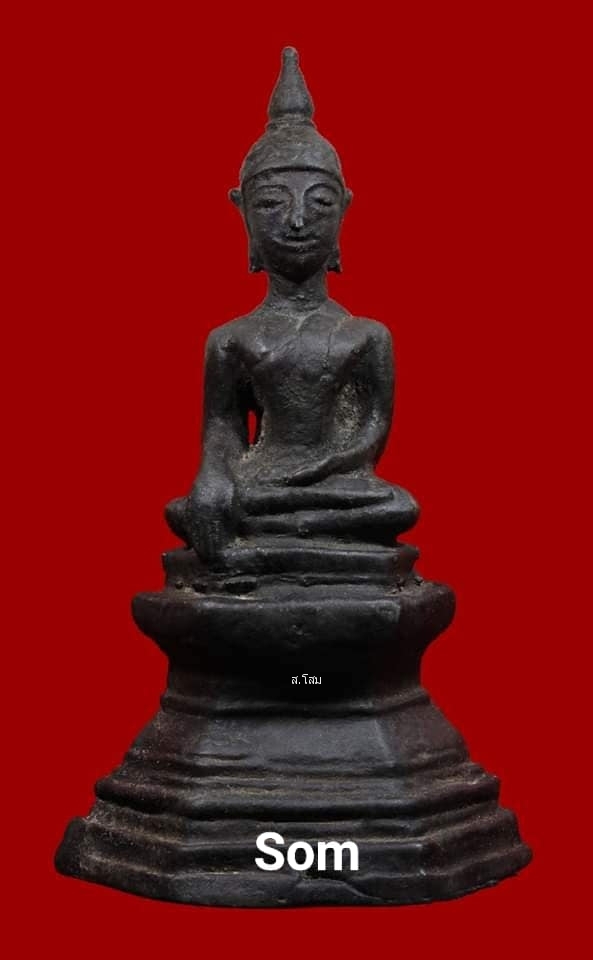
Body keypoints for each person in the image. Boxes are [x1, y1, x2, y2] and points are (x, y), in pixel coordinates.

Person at [166, 48, 418, 564]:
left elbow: (371, 433)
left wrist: (318, 470)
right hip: (258, 482)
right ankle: (310, 547)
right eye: (271, 203)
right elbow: (222, 431)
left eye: (319, 203)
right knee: (189, 509)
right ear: (243, 214)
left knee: (397, 506)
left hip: (333, 484)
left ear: (344, 211)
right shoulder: (231, 339)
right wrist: (213, 480)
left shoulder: (367, 335)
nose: (298, 220)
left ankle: (279, 546)